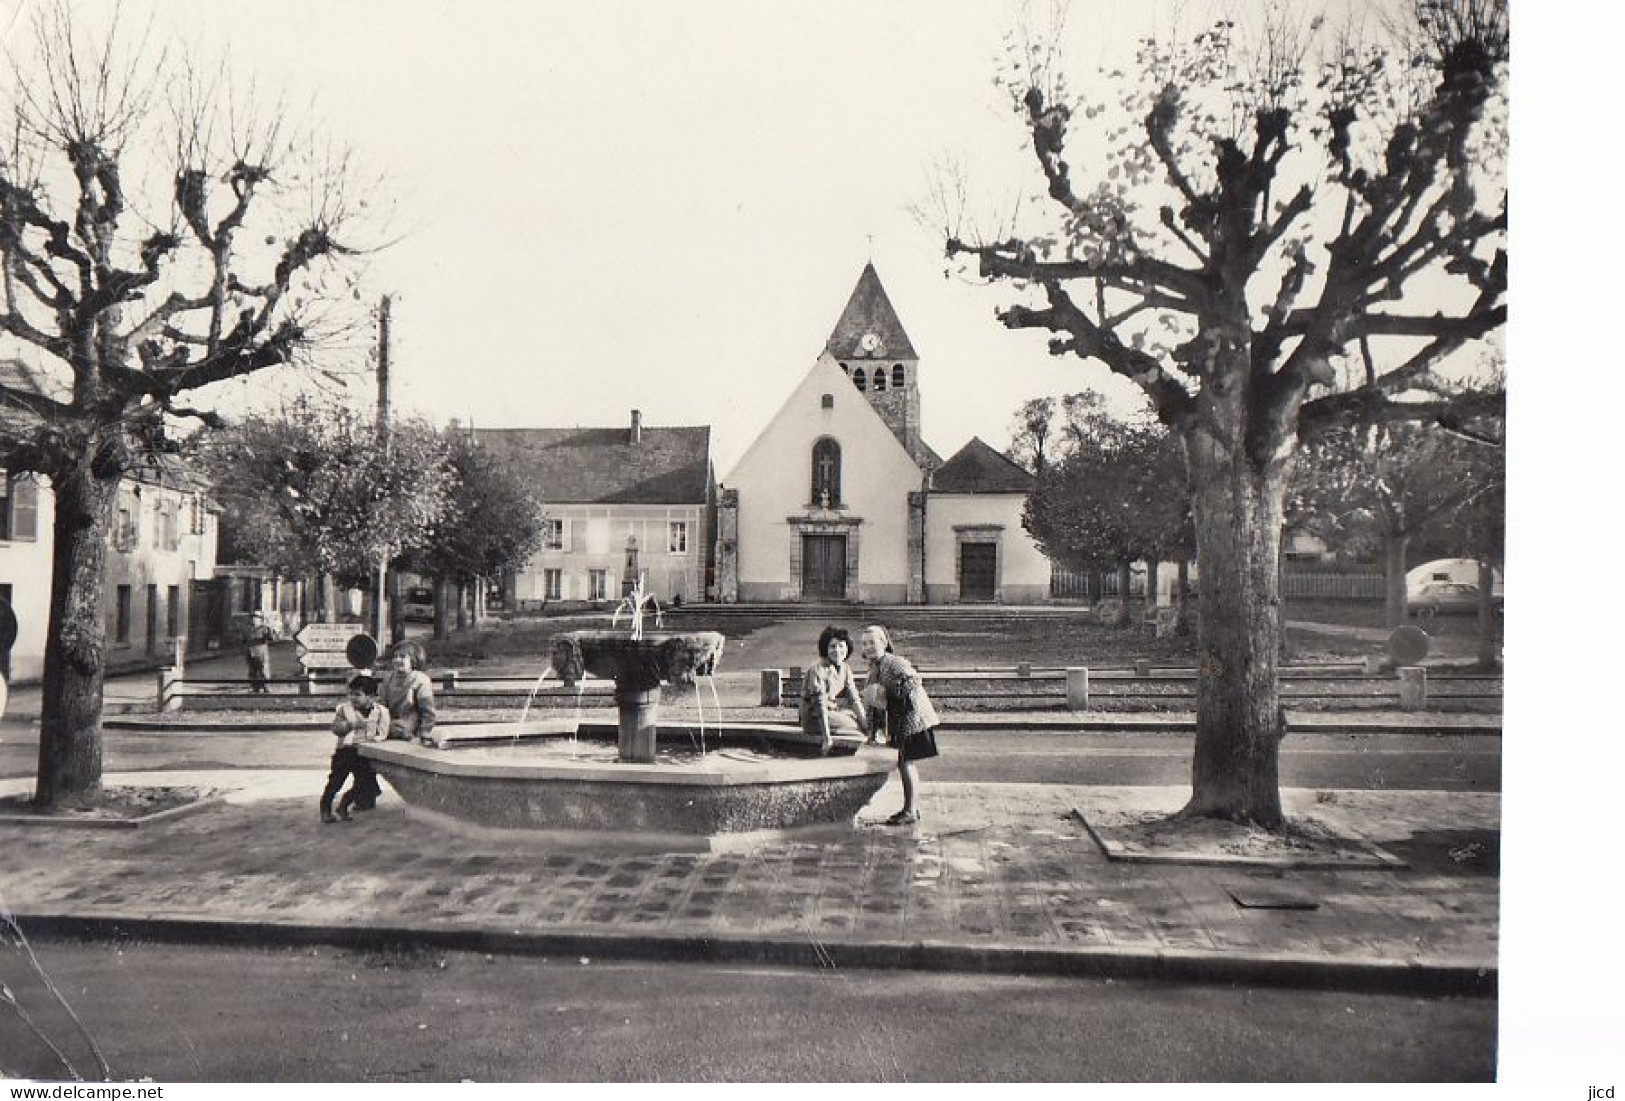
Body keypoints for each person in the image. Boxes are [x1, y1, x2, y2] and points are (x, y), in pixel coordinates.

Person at [859, 624, 941, 826]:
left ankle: (910, 810)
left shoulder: (894, 662)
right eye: (865, 643)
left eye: (873, 642)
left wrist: (890, 692)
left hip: (913, 718)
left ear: (884, 643)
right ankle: (911, 808)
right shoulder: (875, 666)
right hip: (901, 720)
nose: (868, 647)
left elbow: (914, 680)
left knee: (905, 762)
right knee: (904, 762)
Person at [320, 674, 388, 823]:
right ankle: (325, 809)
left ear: (371, 696)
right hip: (345, 751)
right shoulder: (344, 710)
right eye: (351, 694)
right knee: (336, 781)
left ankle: (344, 804)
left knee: (364, 783)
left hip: (365, 752)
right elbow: (336, 728)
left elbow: (382, 732)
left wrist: (375, 741)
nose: (353, 698)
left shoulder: (380, 711)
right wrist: (350, 725)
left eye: (358, 694)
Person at [800, 626, 869, 754]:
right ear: (825, 648)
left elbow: (854, 699)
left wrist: (866, 725)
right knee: (856, 727)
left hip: (832, 713)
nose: (837, 651)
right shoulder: (817, 669)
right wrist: (827, 738)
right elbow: (819, 705)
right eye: (832, 646)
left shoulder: (845, 668)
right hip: (815, 717)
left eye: (841, 646)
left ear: (847, 648)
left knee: (859, 721)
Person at [381, 642, 438, 747]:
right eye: (395, 657)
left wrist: (422, 735)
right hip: (389, 725)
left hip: (411, 727)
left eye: (402, 657)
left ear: (413, 660)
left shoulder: (420, 680)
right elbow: (382, 706)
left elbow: (428, 713)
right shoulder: (388, 679)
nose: (397, 660)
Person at [244, 614, 274, 694]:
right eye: (252, 618)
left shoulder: (264, 629)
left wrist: (269, 631)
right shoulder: (248, 629)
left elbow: (270, 638)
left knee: (263, 670)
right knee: (252, 671)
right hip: (250, 652)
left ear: (260, 620)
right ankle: (254, 687)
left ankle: (266, 687)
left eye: (256, 618)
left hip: (261, 653)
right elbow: (244, 640)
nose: (254, 620)